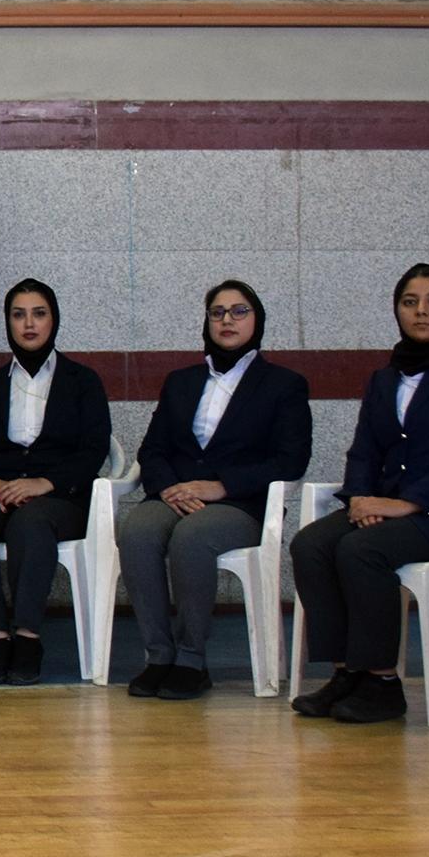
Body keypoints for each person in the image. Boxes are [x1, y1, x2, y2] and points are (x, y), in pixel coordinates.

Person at [289, 265, 429, 724]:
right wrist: (360, 498)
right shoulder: (385, 378)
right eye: (410, 302)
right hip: (387, 509)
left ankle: (383, 682)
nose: (421, 311)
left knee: (361, 550)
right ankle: (347, 671)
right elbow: (364, 450)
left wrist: (407, 503)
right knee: (311, 543)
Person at [118, 279, 311, 700]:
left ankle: (191, 660)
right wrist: (169, 487)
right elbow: (153, 449)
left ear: (257, 320)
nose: (227, 320)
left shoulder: (283, 385)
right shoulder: (181, 381)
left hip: (240, 503)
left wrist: (222, 487)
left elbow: (290, 460)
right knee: (136, 531)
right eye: (217, 312)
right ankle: (159, 656)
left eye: (239, 311)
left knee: (192, 538)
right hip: (176, 494)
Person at [0, 279, 110, 684]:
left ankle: (28, 637)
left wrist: (45, 483)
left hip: (60, 497)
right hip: (0, 492)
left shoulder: (82, 381)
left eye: (39, 314)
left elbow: (93, 450)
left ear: (54, 320)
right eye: (19, 315)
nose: (29, 324)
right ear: (8, 323)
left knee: (30, 522)